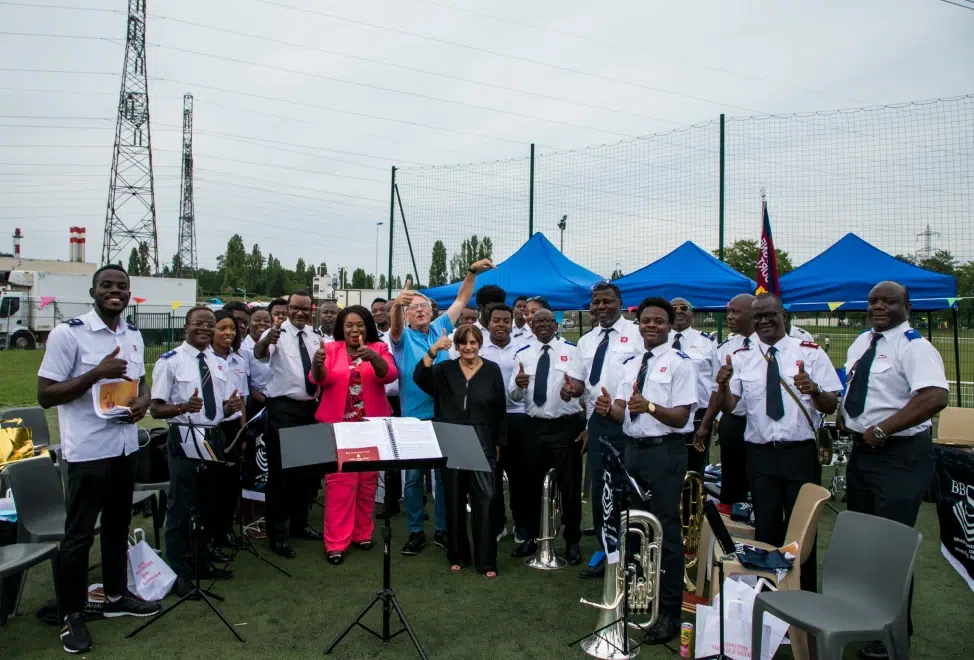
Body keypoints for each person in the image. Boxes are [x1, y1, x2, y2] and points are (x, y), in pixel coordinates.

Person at [36, 264, 160, 654]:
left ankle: (115, 596)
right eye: (107, 285)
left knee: (118, 525)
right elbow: (46, 395)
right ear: (93, 292)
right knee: (79, 535)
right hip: (88, 452)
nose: (116, 291)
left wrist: (142, 402)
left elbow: (141, 381)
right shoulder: (68, 333)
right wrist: (96, 373)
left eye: (122, 286)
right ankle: (71, 615)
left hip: (124, 447)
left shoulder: (133, 334)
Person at [840, 281, 948, 660]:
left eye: (889, 301)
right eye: (874, 300)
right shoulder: (862, 343)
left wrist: (886, 428)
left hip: (899, 455)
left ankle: (894, 633)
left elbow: (935, 396)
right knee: (865, 543)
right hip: (863, 453)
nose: (879, 306)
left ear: (908, 306)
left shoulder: (914, 346)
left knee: (891, 547)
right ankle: (869, 620)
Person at [716, 293, 841, 593]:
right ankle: (768, 597)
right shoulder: (743, 357)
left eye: (770, 315)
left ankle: (803, 597)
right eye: (757, 317)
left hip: (799, 454)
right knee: (767, 529)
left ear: (783, 316)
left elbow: (830, 405)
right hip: (760, 456)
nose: (763, 321)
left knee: (802, 532)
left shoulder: (809, 353)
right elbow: (732, 407)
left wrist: (814, 390)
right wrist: (721, 385)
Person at [604, 296, 696, 644]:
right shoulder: (630, 362)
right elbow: (621, 410)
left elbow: (682, 416)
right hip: (633, 451)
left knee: (665, 531)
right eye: (646, 320)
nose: (652, 326)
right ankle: (639, 599)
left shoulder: (679, 363)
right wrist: (608, 409)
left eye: (659, 320)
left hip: (664, 453)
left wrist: (651, 406)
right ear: (638, 324)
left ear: (670, 325)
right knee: (633, 526)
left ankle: (669, 611)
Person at [389, 260, 494, 555]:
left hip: (445, 416)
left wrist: (472, 272)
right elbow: (395, 323)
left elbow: (462, 299)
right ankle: (414, 531)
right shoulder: (401, 336)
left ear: (433, 312)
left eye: (424, 306)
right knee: (412, 478)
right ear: (408, 315)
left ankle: (442, 529)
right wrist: (397, 304)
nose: (420, 310)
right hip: (413, 419)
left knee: (443, 478)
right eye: (414, 307)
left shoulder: (440, 327)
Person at [150, 306, 242, 597]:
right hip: (184, 437)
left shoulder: (218, 362)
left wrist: (230, 409)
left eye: (210, 324)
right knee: (182, 506)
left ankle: (202, 561)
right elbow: (155, 408)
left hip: (212, 436)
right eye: (199, 324)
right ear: (186, 327)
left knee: (207, 504)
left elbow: (216, 407)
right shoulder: (171, 361)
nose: (205, 328)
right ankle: (179, 571)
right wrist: (181, 408)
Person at [414, 324, 507, 578]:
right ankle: (457, 555)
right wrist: (433, 350)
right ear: (456, 346)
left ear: (480, 344)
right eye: (463, 343)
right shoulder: (444, 370)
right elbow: (420, 376)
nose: (468, 347)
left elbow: (500, 408)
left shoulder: (492, 370)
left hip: (483, 438)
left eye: (473, 342)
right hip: (452, 437)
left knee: (486, 499)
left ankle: (486, 560)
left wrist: (499, 442)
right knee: (454, 499)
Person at [563, 282, 642, 578]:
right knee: (601, 488)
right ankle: (606, 550)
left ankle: (631, 553)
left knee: (628, 488)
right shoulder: (585, 341)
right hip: (598, 420)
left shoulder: (637, 334)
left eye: (606, 301)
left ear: (619, 302)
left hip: (630, 420)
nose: (600, 307)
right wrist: (572, 389)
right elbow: (581, 383)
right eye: (596, 302)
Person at [309, 305, 398, 564]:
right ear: (341, 328)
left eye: (359, 324)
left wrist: (374, 358)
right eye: (348, 325)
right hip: (338, 427)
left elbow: (389, 375)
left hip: (370, 425)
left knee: (368, 481)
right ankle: (336, 542)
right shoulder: (330, 348)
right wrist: (317, 365)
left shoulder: (378, 347)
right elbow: (318, 380)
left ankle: (362, 533)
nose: (354, 329)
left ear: (367, 325)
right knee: (340, 482)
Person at [508, 308, 585, 564]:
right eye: (536, 321)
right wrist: (518, 386)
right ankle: (530, 538)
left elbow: (581, 390)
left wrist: (571, 392)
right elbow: (514, 395)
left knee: (569, 486)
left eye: (546, 321)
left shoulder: (572, 351)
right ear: (530, 325)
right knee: (529, 486)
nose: (541, 325)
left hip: (565, 427)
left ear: (556, 325)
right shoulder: (522, 355)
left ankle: (572, 541)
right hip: (533, 427)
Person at [254, 290, 325, 558]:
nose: (300, 313)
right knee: (280, 474)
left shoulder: (315, 336)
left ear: (311, 309)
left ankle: (300, 523)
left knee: (305, 472)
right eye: (295, 308)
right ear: (287, 307)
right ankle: (277, 533)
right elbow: (261, 354)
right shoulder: (274, 334)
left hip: (309, 409)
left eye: (305, 309)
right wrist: (265, 341)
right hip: (282, 409)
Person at [693, 294, 755, 504]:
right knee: (732, 480)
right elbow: (715, 391)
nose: (730, 317)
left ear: (753, 314)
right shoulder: (727, 346)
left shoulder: (766, 345)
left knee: (759, 481)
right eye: (729, 312)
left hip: (761, 424)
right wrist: (706, 425)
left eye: (736, 312)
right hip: (734, 422)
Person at [478, 303, 529, 543]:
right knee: (492, 475)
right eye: (496, 320)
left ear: (512, 323)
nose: (501, 325)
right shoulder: (479, 347)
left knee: (518, 475)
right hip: (488, 419)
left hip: (518, 416)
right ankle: (497, 523)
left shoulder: (522, 347)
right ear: (488, 322)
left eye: (505, 321)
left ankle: (521, 523)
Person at [208, 309, 250, 551]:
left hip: (233, 425)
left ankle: (225, 531)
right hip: (213, 425)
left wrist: (242, 432)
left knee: (231, 484)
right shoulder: (205, 360)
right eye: (222, 328)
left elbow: (242, 399)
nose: (228, 333)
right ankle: (210, 536)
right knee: (212, 484)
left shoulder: (238, 360)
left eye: (232, 329)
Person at [669, 297, 718, 476]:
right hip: (665, 412)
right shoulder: (656, 340)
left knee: (695, 470)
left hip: (698, 415)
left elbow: (716, 384)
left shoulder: (707, 342)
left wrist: (708, 422)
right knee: (667, 467)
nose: (679, 311)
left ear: (693, 314)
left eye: (684, 308)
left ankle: (694, 504)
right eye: (673, 308)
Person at [372, 297, 402, 514]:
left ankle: (411, 497)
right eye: (380, 310)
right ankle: (388, 500)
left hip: (406, 399)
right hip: (384, 400)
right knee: (386, 451)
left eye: (391, 309)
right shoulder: (375, 340)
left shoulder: (408, 336)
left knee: (407, 451)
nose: (384, 313)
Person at [240, 307, 272, 415]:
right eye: (257, 320)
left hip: (276, 399)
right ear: (249, 323)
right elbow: (246, 383)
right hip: (256, 402)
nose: (262, 323)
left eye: (267, 321)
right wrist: (265, 401)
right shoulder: (243, 348)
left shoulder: (275, 345)